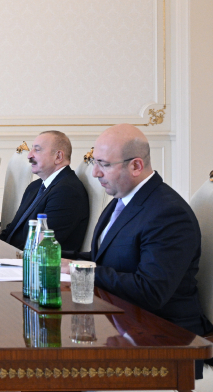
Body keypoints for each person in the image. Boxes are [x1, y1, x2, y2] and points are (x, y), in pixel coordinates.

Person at [76, 124, 212, 348]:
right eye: (95, 162)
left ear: (136, 166)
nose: (95, 172)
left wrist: (80, 270)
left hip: (166, 337)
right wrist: (56, 258)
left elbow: (150, 291)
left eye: (104, 164)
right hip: (124, 321)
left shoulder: (168, 213)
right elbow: (105, 258)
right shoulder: (123, 198)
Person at [0, 131, 89, 257]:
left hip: (36, 264)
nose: (29, 155)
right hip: (11, 257)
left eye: (37, 150)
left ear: (58, 157)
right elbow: (13, 229)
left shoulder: (67, 192)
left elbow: (42, 245)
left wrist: (2, 255)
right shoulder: (35, 186)